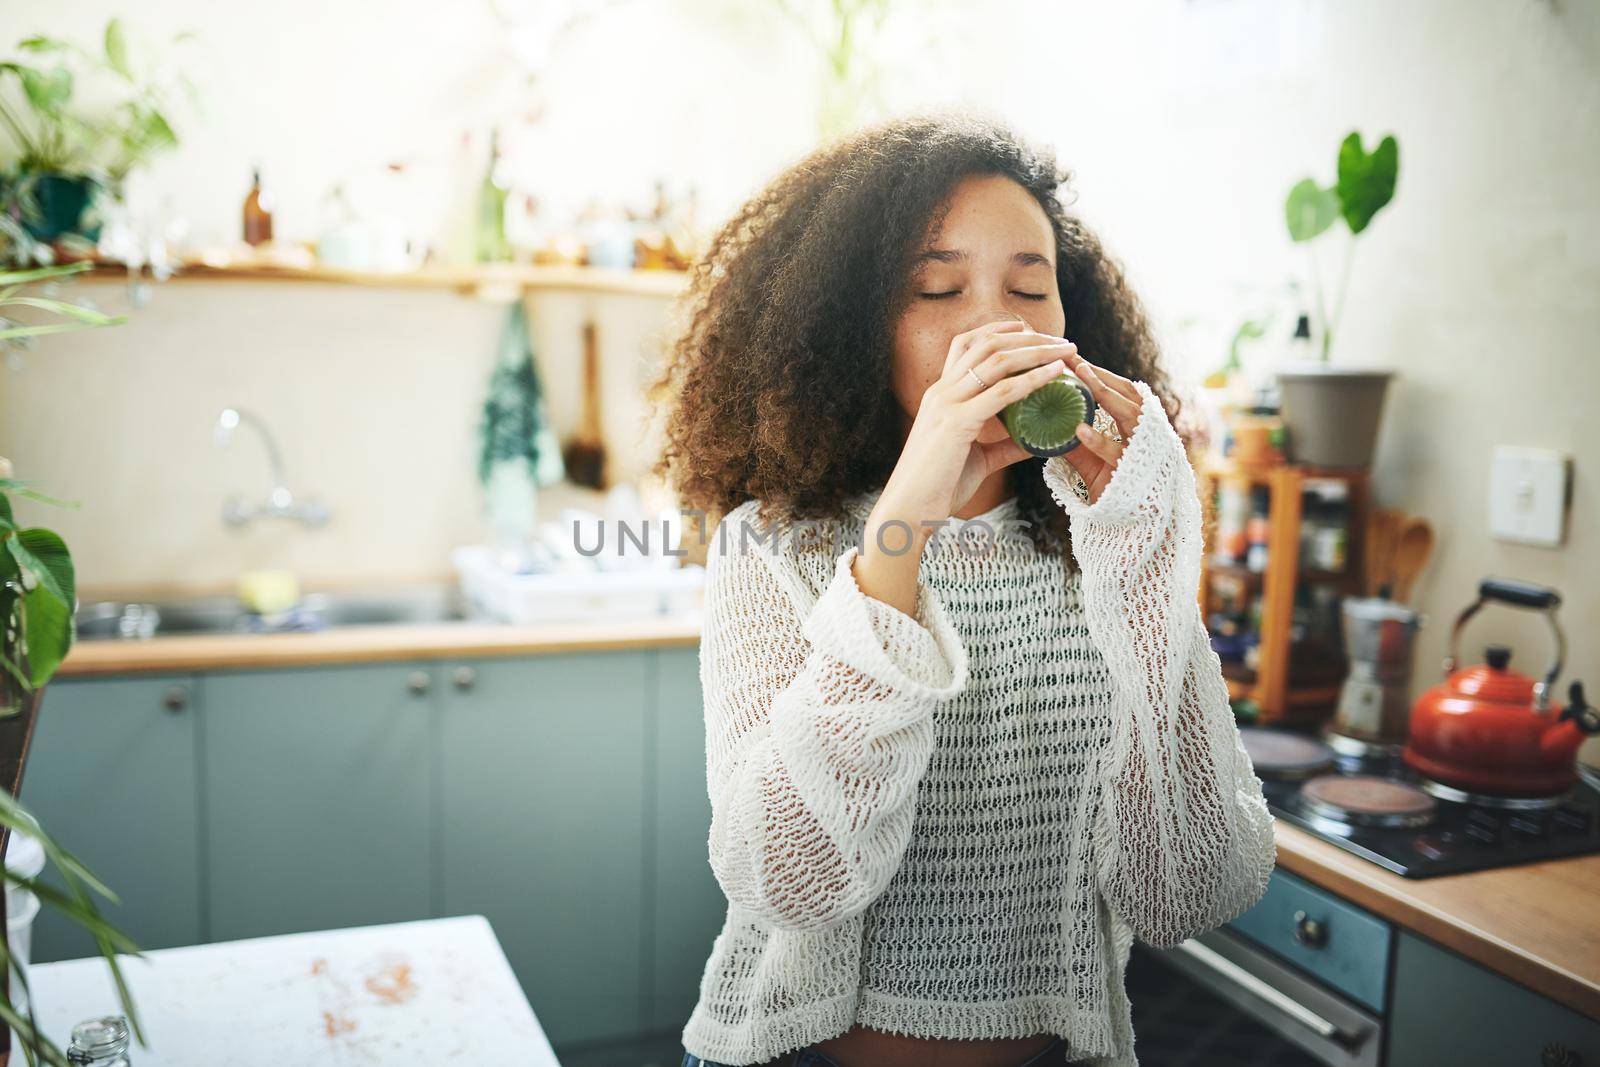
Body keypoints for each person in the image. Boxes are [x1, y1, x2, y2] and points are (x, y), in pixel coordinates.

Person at [646, 108, 1275, 1067]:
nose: (998, 326)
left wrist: (1148, 562)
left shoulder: (1099, 549)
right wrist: (908, 517)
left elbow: (1187, 894)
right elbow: (784, 878)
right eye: (938, 288)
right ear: (851, 333)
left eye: (1032, 287)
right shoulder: (772, 548)